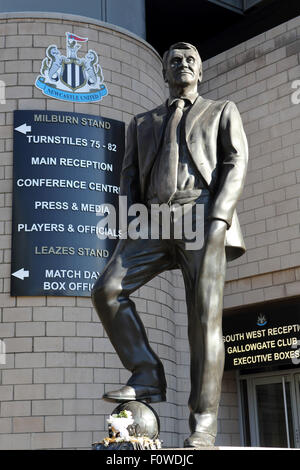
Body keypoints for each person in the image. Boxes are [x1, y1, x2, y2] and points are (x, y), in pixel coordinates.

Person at [92, 42, 248, 447]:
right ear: (165, 73)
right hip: (151, 220)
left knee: (203, 319)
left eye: (190, 61)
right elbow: (127, 178)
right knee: (107, 289)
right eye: (174, 61)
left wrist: (219, 217)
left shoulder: (221, 111)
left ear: (200, 72)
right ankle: (146, 372)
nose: (182, 65)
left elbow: (236, 162)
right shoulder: (141, 122)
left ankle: (204, 423)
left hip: (201, 212)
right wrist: (127, 226)